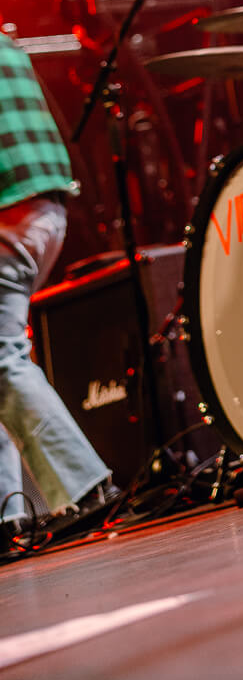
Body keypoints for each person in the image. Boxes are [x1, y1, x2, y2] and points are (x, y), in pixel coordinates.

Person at [0, 31, 115, 549]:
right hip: (46, 212)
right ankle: (7, 515)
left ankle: (83, 487)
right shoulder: (6, 44)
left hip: (10, 213)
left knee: (1, 359)